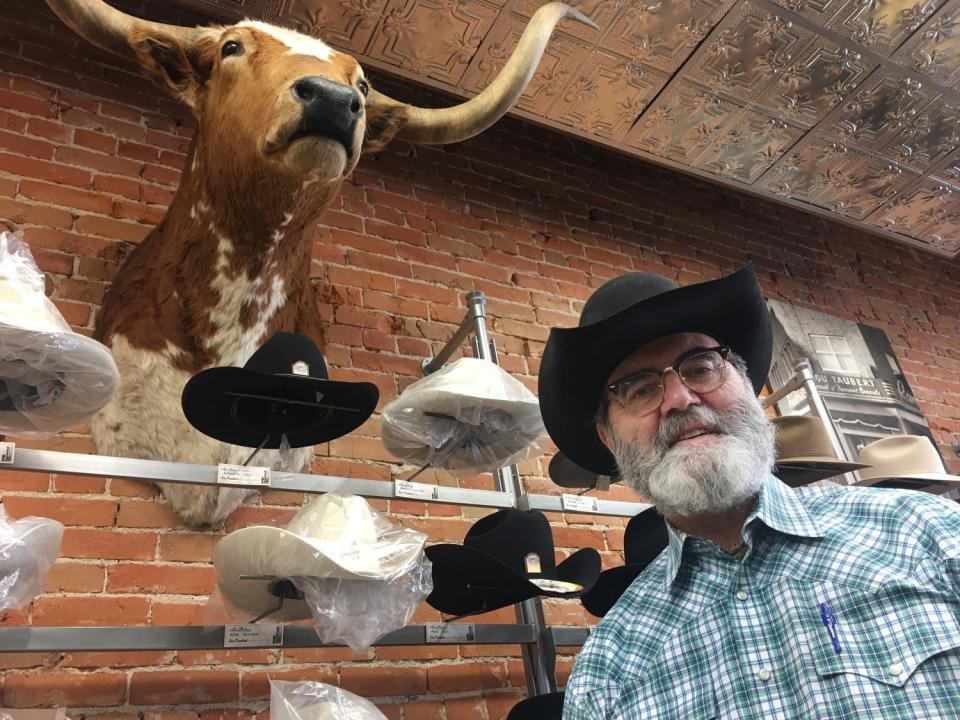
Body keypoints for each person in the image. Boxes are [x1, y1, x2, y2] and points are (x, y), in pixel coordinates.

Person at [538, 266, 960, 719]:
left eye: (700, 367)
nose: (679, 398)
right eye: (640, 389)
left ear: (747, 385)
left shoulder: (928, 532)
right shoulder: (610, 670)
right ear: (609, 439)